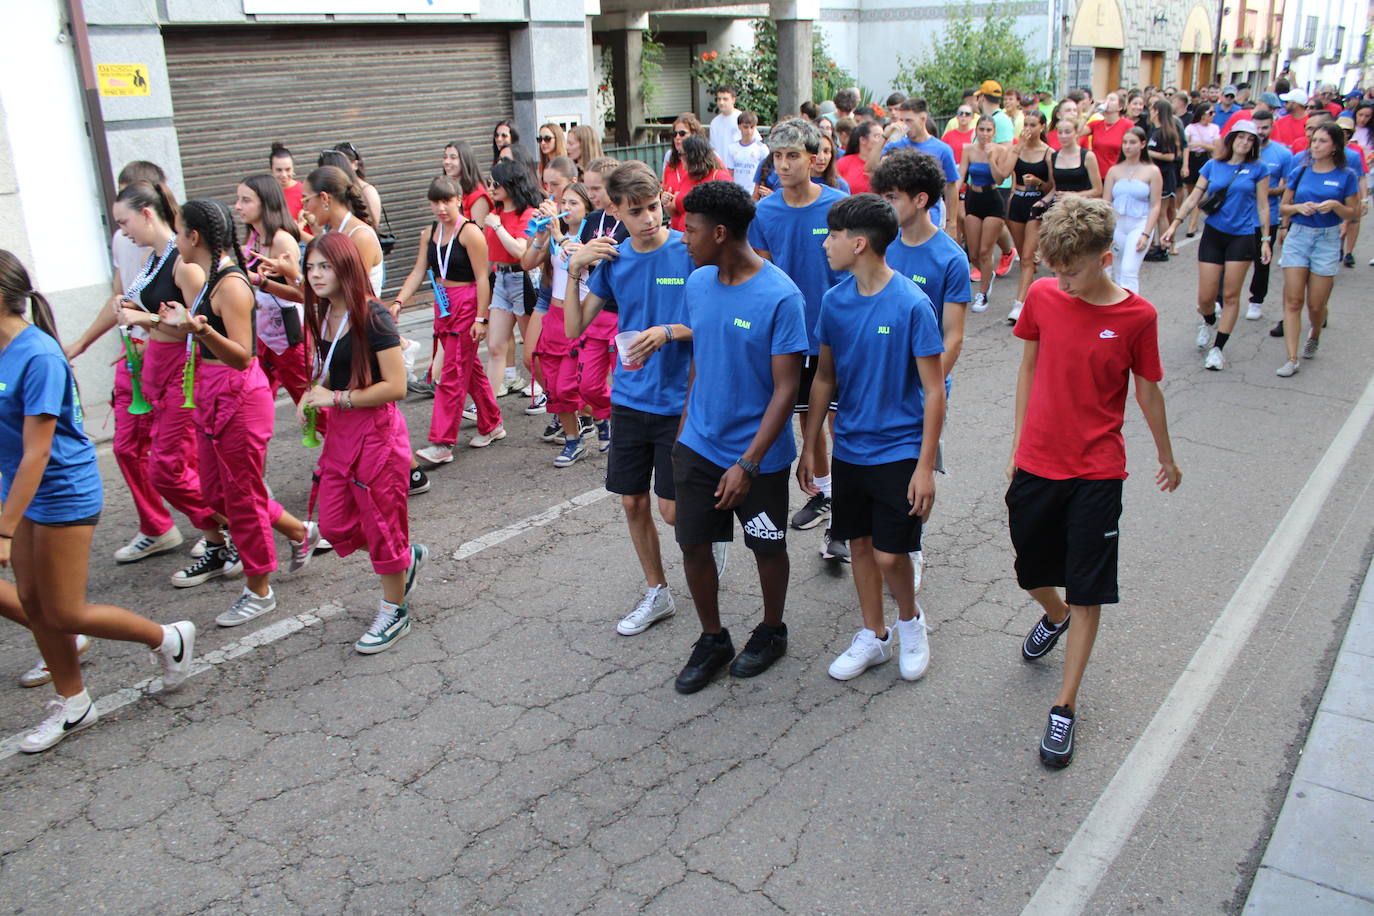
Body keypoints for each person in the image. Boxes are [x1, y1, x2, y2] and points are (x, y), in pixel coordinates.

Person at [1006, 196, 1181, 768]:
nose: (1062, 280)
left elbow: (1147, 390)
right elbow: (1029, 367)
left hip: (1098, 471)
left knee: (1088, 588)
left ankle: (1064, 707)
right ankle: (1051, 616)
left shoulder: (1138, 317)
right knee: (1030, 570)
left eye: (1072, 269)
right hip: (1038, 460)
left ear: (1105, 258)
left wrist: (1166, 455)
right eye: (1054, 268)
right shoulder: (1043, 295)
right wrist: (1017, 446)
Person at [0, 251, 198, 753]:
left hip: (61, 489)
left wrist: (4, 530)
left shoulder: (38, 355)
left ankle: (167, 637)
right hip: (19, 491)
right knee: (31, 602)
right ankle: (74, 703)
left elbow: (39, 452)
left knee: (63, 611)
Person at [153, 200, 319, 627]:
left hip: (238, 399)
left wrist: (199, 328)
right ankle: (301, 533)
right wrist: (182, 322)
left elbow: (244, 356)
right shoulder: (209, 278)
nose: (174, 240)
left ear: (195, 237)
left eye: (178, 231)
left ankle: (259, 588)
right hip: (211, 394)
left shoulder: (230, 283)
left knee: (241, 499)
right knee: (217, 493)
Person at [799, 193, 945, 682]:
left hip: (900, 449)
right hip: (851, 448)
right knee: (859, 544)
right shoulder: (833, 301)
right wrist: (810, 444)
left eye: (833, 235)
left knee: (890, 552)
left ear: (859, 243)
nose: (826, 244)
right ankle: (874, 635)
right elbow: (824, 378)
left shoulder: (911, 304)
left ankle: (910, 623)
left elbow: (933, 390)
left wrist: (925, 466)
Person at [671, 180, 806, 694]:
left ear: (721, 232)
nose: (684, 238)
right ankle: (713, 638)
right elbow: (701, 362)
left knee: (767, 546)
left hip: (760, 458)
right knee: (693, 545)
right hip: (700, 444)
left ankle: (772, 631)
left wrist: (747, 464)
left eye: (692, 229)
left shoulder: (781, 296)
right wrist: (685, 431)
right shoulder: (698, 283)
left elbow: (785, 390)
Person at [564, 162, 695, 637]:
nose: (649, 219)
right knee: (633, 503)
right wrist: (576, 270)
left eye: (654, 207)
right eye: (635, 211)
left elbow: (719, 319)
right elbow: (574, 328)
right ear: (614, 210)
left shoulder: (689, 250)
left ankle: (707, 537)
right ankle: (657, 591)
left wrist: (667, 332)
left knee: (673, 510)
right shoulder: (614, 262)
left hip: (681, 399)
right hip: (631, 397)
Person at [66, 174, 221, 565]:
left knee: (170, 465)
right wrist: (88, 342)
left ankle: (236, 524)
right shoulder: (152, 261)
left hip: (184, 375)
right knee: (149, 458)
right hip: (154, 369)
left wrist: (146, 320)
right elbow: (129, 304)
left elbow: (200, 326)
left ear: (147, 213)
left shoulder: (181, 263)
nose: (122, 232)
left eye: (124, 222)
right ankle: (217, 532)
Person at [297, 232, 428, 653]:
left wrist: (334, 398)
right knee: (334, 525)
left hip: (376, 437)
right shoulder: (324, 316)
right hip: (342, 434)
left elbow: (397, 386)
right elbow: (331, 369)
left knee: (383, 525)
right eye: (311, 266)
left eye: (325, 266)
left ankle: (395, 610)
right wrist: (311, 394)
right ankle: (402, 558)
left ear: (346, 268)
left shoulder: (373, 316)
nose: (315, 275)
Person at [747, 119, 849, 561]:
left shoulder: (840, 206)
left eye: (793, 156)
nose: (783, 165)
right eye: (777, 157)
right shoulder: (764, 213)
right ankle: (825, 496)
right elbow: (762, 278)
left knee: (841, 426)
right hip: (792, 340)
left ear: (814, 157)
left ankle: (845, 520)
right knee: (809, 425)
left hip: (840, 336)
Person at [394, 176, 498, 463]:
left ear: (458, 201)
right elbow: (418, 271)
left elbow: (482, 278)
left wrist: (481, 318)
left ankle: (441, 443)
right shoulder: (429, 233)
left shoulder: (469, 232)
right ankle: (492, 423)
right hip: (443, 303)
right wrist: (399, 300)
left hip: (466, 304)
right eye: (435, 202)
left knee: (452, 371)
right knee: (468, 366)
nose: (441, 207)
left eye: (447, 201)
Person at [1162, 120, 1271, 371]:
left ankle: (1218, 348)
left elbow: (1263, 206)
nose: (1245, 142)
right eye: (1241, 137)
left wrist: (1265, 240)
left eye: (1250, 139)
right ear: (1231, 139)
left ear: (1254, 144)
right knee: (1205, 298)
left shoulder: (1259, 169)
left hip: (1242, 236)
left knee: (1231, 295)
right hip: (1214, 234)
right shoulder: (1213, 165)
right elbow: (1193, 198)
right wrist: (1173, 226)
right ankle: (1208, 320)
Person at [1274, 121, 1361, 376]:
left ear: (1335, 146)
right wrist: (1298, 208)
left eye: (1322, 141)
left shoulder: (1346, 175)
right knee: (1293, 300)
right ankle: (1291, 357)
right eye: (1313, 140)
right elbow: (1283, 206)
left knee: (1315, 304)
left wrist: (1335, 205)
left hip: (1327, 238)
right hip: (1299, 236)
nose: (1315, 145)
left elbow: (1353, 212)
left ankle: (1315, 331)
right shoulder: (1300, 170)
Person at [528, 182, 596, 467]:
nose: (566, 208)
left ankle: (598, 419)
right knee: (553, 381)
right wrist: (540, 235)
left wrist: (556, 233)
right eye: (563, 202)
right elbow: (527, 262)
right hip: (553, 316)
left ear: (587, 209)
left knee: (579, 382)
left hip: (580, 316)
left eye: (574, 203)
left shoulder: (590, 237)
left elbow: (574, 262)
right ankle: (572, 440)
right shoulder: (555, 234)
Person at [234, 174, 309, 405]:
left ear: (265, 202)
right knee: (256, 400)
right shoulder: (254, 236)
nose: (238, 206)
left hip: (287, 334)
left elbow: (301, 294)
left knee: (308, 402)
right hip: (261, 332)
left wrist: (259, 280)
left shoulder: (281, 240)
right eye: (238, 200)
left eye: (246, 200)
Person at [481, 158, 541, 408]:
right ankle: (488, 408)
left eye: (496, 182)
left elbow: (519, 249)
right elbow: (488, 255)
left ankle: (547, 394)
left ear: (511, 184)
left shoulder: (527, 214)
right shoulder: (494, 214)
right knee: (495, 346)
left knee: (532, 352)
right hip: (501, 279)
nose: (491, 187)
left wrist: (497, 227)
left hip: (522, 278)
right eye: (489, 182)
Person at [1005, 111, 1055, 321]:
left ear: (1042, 127)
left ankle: (1019, 304)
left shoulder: (1048, 152)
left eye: (1033, 125)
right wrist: (1016, 147)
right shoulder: (1018, 149)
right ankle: (1034, 297)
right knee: (1025, 256)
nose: (1028, 129)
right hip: (1017, 202)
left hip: (1037, 205)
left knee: (1026, 257)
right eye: (1026, 124)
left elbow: (1052, 185)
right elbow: (1003, 173)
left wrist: (1037, 182)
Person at [959, 115, 1012, 313]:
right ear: (976, 130)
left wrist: (991, 159)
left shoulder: (1000, 150)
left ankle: (982, 293)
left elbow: (1000, 178)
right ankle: (988, 274)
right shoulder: (968, 150)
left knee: (984, 251)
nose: (985, 134)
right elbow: (962, 177)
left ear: (994, 132)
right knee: (972, 253)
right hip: (974, 198)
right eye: (981, 129)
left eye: (989, 130)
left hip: (993, 200)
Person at [883, 97, 958, 232]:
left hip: (931, 220)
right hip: (901, 220)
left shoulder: (942, 149)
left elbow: (951, 186)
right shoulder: (896, 146)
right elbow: (871, 166)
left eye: (909, 120)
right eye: (902, 120)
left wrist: (952, 223)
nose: (905, 125)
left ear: (923, 119)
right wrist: (884, 137)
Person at [1102, 127, 1163, 293]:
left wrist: (1146, 234)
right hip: (1117, 224)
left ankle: (1130, 311)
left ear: (1143, 144)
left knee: (1129, 270)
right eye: (1125, 142)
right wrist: (1105, 232)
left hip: (1140, 224)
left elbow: (1155, 205)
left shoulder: (1152, 171)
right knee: (1115, 269)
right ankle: (1114, 308)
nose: (1127, 146)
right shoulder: (1114, 170)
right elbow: (1106, 202)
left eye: (1132, 142)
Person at [1246, 110, 1293, 321]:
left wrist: (1263, 191)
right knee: (1228, 262)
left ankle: (1256, 300)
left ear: (1272, 127)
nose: (1260, 132)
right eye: (1256, 127)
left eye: (1264, 127)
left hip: (1267, 217)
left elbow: (1286, 188)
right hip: (1241, 217)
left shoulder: (1283, 154)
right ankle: (1220, 299)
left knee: (1262, 261)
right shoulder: (1242, 151)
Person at [661, 134, 732, 232]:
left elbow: (730, 215)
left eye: (681, 154)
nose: (679, 158)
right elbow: (676, 212)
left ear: (692, 155)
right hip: (682, 237)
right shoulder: (687, 177)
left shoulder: (719, 177)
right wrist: (667, 203)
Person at [1144, 99, 1184, 261]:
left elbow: (1170, 156)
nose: (1150, 113)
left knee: (1161, 213)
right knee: (1155, 213)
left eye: (1153, 109)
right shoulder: (1155, 130)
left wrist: (1148, 153)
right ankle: (1156, 245)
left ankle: (1164, 247)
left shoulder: (1166, 132)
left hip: (1165, 177)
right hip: (1154, 176)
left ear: (1158, 111)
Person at [1182, 103, 1220, 235]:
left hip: (1205, 159)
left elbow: (1217, 147)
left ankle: (1192, 224)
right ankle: (1191, 219)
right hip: (1192, 159)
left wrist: (1200, 144)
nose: (1212, 116)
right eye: (1210, 113)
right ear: (1203, 113)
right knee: (1192, 192)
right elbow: (1186, 146)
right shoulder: (1191, 127)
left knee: (1200, 193)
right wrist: (1185, 165)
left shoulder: (1214, 128)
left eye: (1213, 113)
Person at [329, 143, 382, 226]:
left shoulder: (368, 191)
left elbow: (373, 226)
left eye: (343, 164)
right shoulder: (337, 189)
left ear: (355, 164)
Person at [1082, 93, 1132, 179]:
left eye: (1112, 99)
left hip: (1116, 175)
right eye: (1106, 99)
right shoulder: (1096, 124)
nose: (1107, 102)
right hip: (1095, 175)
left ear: (1120, 107)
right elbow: (1076, 132)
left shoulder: (1127, 125)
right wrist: (1091, 111)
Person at [725, 110, 770, 193]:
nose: (749, 131)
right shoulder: (732, 148)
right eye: (745, 127)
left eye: (752, 127)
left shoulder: (762, 148)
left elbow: (765, 173)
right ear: (739, 126)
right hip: (738, 193)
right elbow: (730, 173)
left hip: (754, 193)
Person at [838, 120, 883, 195]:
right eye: (877, 136)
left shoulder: (885, 163)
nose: (882, 141)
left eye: (883, 136)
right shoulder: (843, 163)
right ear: (863, 140)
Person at [270, 143, 306, 225]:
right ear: (271, 170)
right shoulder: (266, 193)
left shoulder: (304, 191)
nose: (284, 175)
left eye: (288, 169)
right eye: (279, 170)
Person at [708, 86, 742, 164]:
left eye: (725, 99)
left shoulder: (742, 118)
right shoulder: (714, 122)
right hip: (720, 168)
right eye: (719, 99)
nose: (721, 102)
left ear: (733, 100)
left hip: (738, 168)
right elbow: (713, 149)